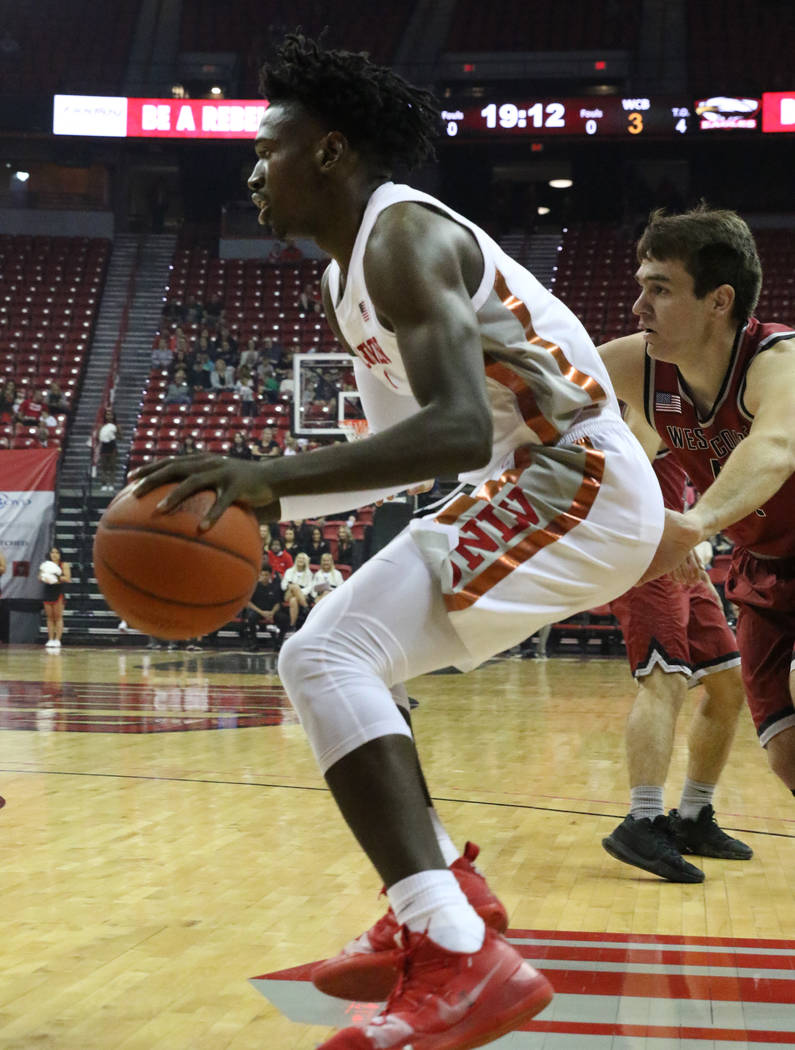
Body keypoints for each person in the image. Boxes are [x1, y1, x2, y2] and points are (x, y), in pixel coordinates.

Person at [130, 34, 664, 1050]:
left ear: (330, 153)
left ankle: (458, 952)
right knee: (338, 656)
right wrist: (240, 501)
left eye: (267, 148)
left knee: (325, 651)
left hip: (574, 473)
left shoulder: (401, 237)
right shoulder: (348, 279)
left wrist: (267, 481)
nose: (250, 170)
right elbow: (403, 457)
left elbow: (461, 430)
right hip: (538, 479)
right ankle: (447, 896)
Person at [598, 204, 795, 803]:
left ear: (719, 301)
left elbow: (776, 447)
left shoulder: (779, 362)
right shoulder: (638, 365)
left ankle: (659, 812)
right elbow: (538, 391)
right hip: (765, 574)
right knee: (787, 755)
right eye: (641, 288)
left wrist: (696, 522)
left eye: (660, 290)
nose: (639, 307)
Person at [602, 440, 751, 883]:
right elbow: (622, 471)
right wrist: (671, 536)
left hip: (678, 553)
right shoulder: (643, 384)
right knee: (664, 677)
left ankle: (692, 815)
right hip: (644, 550)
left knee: (729, 681)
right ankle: (642, 820)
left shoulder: (678, 401)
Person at [240, 565, 286, 650]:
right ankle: (254, 643)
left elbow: (278, 603)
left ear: (270, 575)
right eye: (262, 575)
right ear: (259, 575)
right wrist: (261, 612)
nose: (264, 577)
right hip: (258, 611)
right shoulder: (254, 587)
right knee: (251, 617)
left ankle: (279, 643)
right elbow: (248, 602)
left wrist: (272, 612)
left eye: (266, 575)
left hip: (271, 611)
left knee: (284, 619)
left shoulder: (275, 587)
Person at [38, 546, 71, 650]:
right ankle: (50, 638)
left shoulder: (64, 565)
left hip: (58, 591)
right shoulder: (45, 564)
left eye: (57, 553)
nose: (54, 554)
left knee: (58, 617)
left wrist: (55, 577)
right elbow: (39, 577)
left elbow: (67, 578)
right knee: (49, 617)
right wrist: (45, 577)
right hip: (48, 591)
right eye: (52, 552)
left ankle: (57, 639)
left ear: (60, 554)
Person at [280, 550, 314, 630]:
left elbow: (309, 587)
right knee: (294, 587)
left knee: (293, 600)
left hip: (303, 594)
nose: (301, 560)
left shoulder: (309, 573)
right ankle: (306, 608)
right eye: (299, 558)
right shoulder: (289, 571)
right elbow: (283, 586)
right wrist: (294, 588)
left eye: (303, 559)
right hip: (288, 592)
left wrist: (298, 592)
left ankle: (292, 625)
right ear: (296, 560)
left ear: (306, 561)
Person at [97, 407, 119, 491]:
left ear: (113, 416)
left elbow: (120, 437)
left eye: (111, 415)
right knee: (104, 467)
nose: (109, 416)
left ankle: (111, 484)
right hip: (104, 446)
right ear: (105, 416)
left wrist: (114, 434)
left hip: (112, 446)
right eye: (107, 415)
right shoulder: (101, 426)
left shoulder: (116, 426)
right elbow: (99, 437)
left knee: (112, 467)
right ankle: (104, 484)